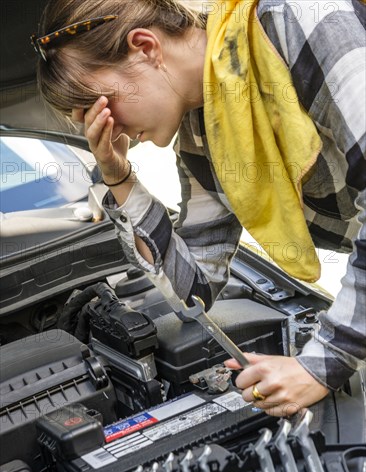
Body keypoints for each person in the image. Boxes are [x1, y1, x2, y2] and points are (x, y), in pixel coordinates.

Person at [33, 0, 365, 416]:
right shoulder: (201, 134)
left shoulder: (298, 18)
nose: (105, 128)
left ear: (145, 46)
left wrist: (325, 361)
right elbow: (194, 289)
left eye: (100, 105)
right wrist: (119, 178)